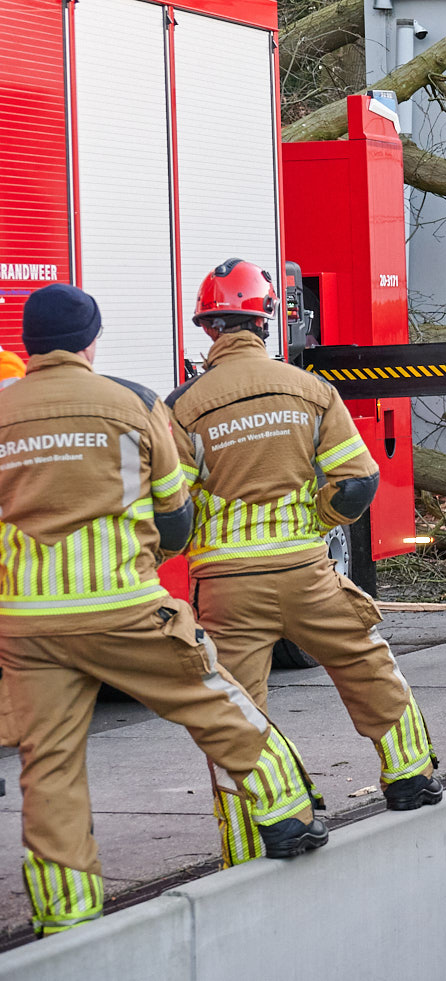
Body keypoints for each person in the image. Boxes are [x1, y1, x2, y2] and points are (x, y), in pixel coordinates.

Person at [0, 284, 325, 934]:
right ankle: (286, 813)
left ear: (29, 345)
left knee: (51, 761)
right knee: (212, 697)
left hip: (28, 623)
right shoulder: (134, 403)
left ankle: (67, 915)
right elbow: (175, 518)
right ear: (91, 340)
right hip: (124, 606)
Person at [167, 259, 441, 865]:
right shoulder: (312, 390)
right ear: (265, 320)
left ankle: (252, 842)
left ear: (208, 329)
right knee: (364, 659)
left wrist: (194, 548)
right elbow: (357, 485)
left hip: (226, 586)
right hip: (307, 572)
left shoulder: (183, 407)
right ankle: (410, 777)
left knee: (231, 710)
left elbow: (173, 515)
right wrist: (311, 523)